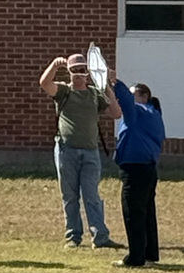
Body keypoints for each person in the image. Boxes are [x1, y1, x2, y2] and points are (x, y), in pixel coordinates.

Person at [40, 52, 124, 250]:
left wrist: (107, 85)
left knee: (91, 194)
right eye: (74, 70)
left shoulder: (95, 93)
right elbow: (45, 83)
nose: (79, 75)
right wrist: (54, 65)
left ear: (88, 73)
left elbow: (116, 113)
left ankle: (100, 236)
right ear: (69, 72)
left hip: (90, 152)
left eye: (82, 70)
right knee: (69, 195)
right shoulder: (64, 92)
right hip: (65, 150)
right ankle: (73, 236)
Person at [111, 80, 166, 268]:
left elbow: (125, 102)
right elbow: (123, 102)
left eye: (133, 94)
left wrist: (115, 82)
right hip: (147, 169)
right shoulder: (153, 114)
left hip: (135, 169)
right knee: (147, 212)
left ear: (143, 97)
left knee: (133, 213)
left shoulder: (140, 112)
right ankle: (150, 254)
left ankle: (136, 258)